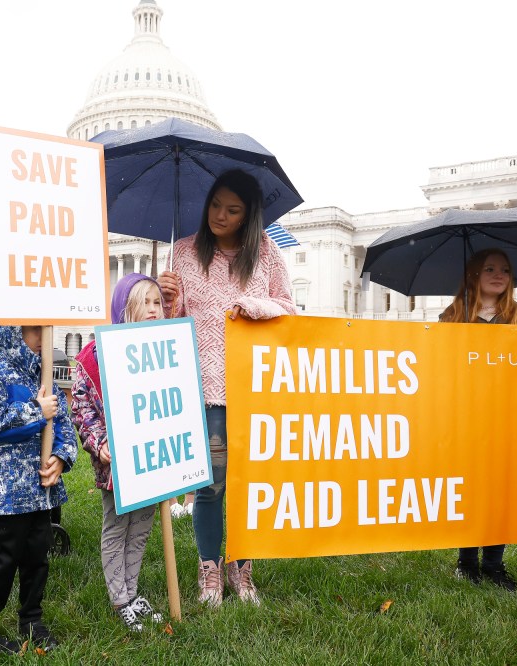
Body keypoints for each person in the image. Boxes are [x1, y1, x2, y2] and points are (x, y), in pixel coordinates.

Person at [158, 169, 297, 607]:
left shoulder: (269, 256)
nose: (220, 215)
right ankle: (209, 569)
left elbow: (289, 310)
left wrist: (253, 306)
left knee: (251, 482)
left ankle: (243, 566)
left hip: (256, 385)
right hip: (206, 385)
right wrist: (167, 298)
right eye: (216, 204)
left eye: (232, 209)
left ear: (249, 215)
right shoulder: (182, 253)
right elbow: (171, 324)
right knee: (211, 483)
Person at [0, 325, 77, 655]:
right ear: (14, 331)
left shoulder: (43, 370)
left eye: (46, 330)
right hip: (3, 488)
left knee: (38, 554)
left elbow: (63, 424)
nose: (43, 339)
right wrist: (37, 411)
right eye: (35, 331)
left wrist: (61, 457)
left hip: (38, 487)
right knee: (3, 558)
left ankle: (31, 620)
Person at [439, 248, 517, 591]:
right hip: (466, 416)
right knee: (471, 489)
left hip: (508, 417)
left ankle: (494, 564)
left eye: (505, 269)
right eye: (489, 268)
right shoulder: (453, 315)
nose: (498, 274)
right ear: (474, 274)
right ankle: (466, 562)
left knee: (500, 489)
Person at [71, 273, 167, 631]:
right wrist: (101, 444)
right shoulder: (94, 357)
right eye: (146, 303)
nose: (155, 310)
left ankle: (132, 590)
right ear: (124, 308)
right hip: (116, 462)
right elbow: (81, 409)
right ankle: (119, 599)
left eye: (158, 302)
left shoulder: (163, 353)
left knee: (142, 526)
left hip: (151, 458)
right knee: (117, 526)